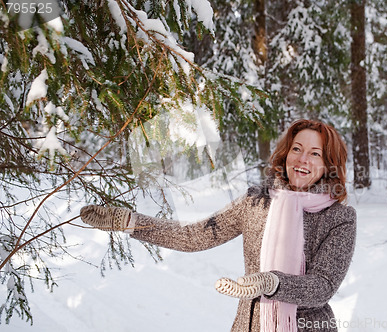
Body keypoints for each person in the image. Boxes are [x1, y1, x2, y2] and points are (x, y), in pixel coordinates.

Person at [80, 119, 357, 332]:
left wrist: (270, 281)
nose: (302, 159)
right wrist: (132, 222)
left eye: (315, 153)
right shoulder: (256, 201)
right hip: (249, 325)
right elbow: (193, 237)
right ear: (285, 155)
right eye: (296, 148)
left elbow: (323, 286)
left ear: (329, 163)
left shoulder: (339, 218)